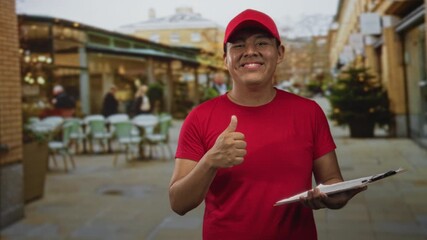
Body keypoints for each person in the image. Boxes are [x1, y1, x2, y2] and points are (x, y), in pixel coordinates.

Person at [169, 9, 366, 239]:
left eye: (262, 43)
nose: (250, 52)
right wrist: (210, 161)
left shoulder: (308, 112)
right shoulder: (200, 117)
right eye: (238, 45)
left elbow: (332, 180)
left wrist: (332, 196)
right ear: (225, 59)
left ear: (279, 52)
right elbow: (178, 203)